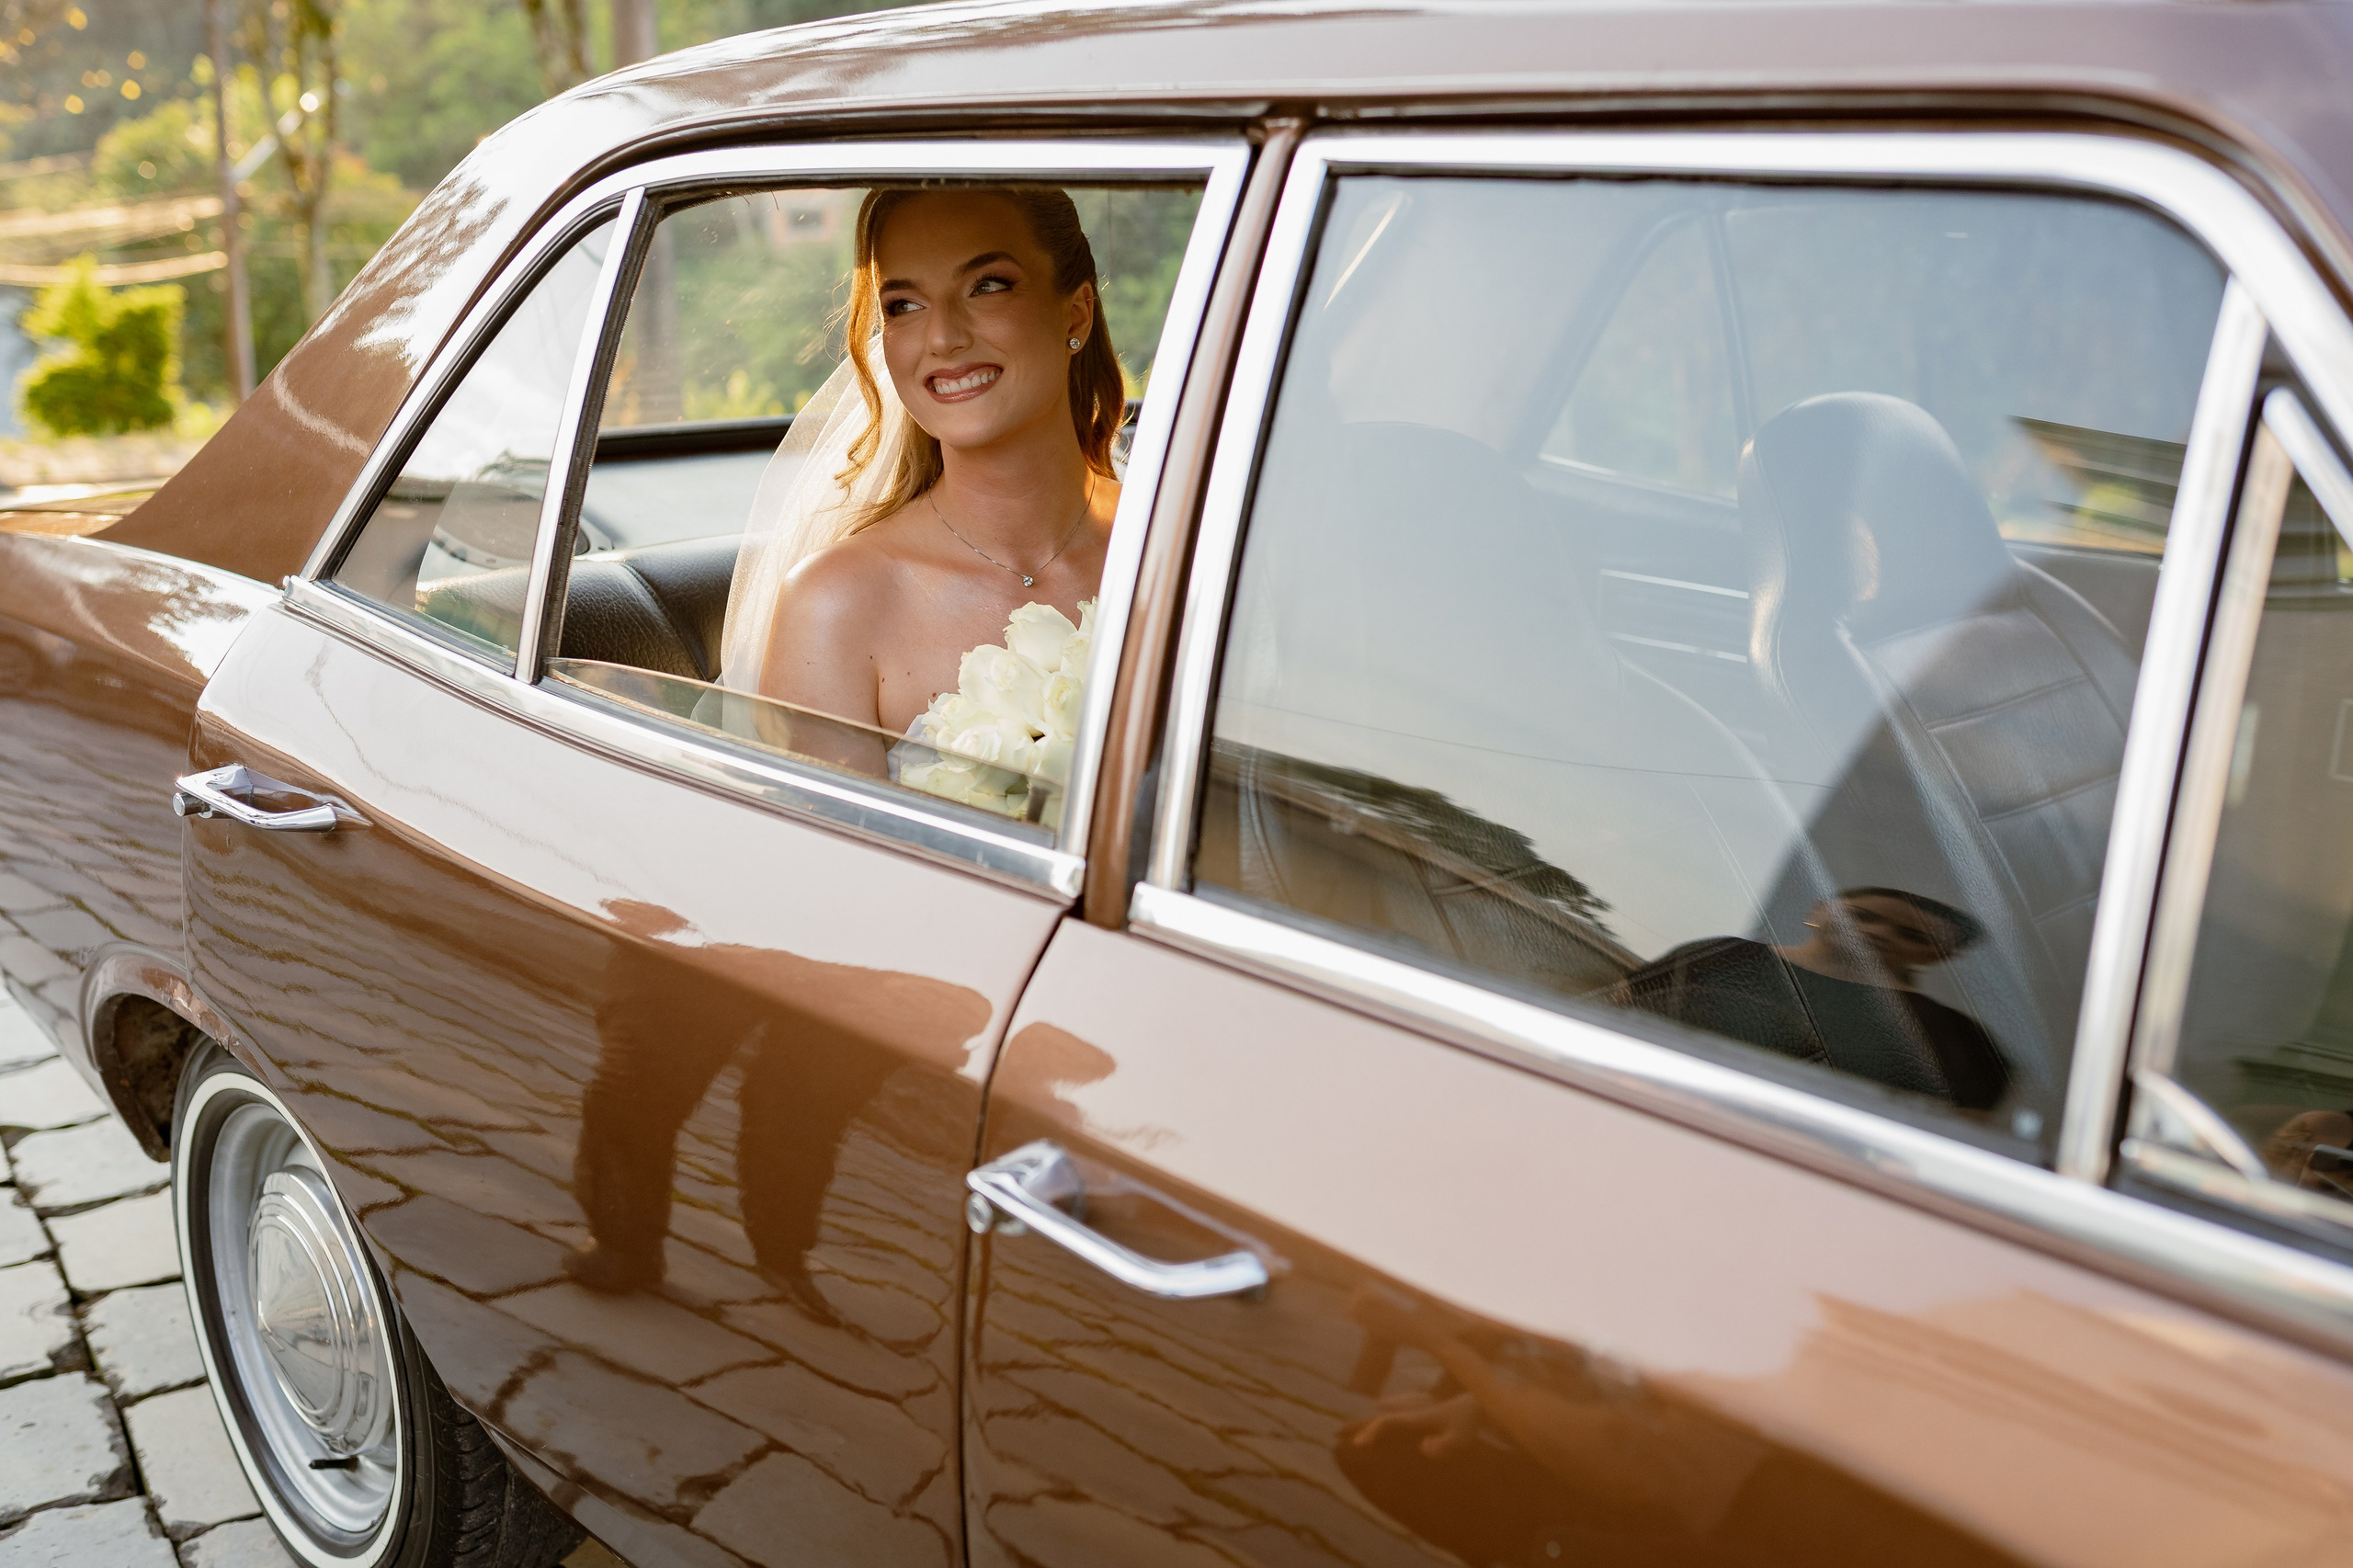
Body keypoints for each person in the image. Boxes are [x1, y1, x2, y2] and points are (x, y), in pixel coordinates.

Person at [725, 185, 1124, 756]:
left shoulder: (1187, 547)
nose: (943, 339)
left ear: (1077, 312)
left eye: (988, 286)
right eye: (904, 306)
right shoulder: (834, 605)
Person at [1614, 888, 2009, 1112]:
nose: (1880, 933)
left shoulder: (1961, 1042)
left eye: (1913, 935)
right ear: (1819, 911)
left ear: (1936, 955)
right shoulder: (1721, 956)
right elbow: (1614, 1017)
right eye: (1862, 915)